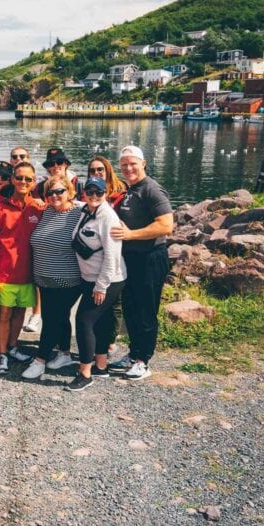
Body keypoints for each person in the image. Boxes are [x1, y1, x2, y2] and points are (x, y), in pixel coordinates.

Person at [108, 145, 173, 381]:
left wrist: (131, 235)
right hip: (131, 258)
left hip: (150, 257)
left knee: (146, 310)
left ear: (143, 164)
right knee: (131, 308)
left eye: (132, 163)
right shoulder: (129, 189)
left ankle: (144, 361)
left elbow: (166, 225)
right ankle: (133, 354)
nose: (128, 168)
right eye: (124, 164)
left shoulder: (152, 190)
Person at [21, 177, 85, 381]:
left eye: (59, 191)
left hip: (68, 278)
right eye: (50, 193)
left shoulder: (80, 212)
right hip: (44, 278)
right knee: (60, 316)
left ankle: (40, 360)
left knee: (51, 319)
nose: (54, 196)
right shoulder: (47, 211)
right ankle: (64, 353)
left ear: (70, 191)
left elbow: (104, 217)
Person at [68, 176, 126, 392]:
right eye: (89, 192)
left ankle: (85, 373)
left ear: (106, 193)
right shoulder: (87, 210)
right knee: (101, 322)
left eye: (98, 193)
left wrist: (101, 286)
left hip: (107, 280)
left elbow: (112, 256)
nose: (93, 196)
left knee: (84, 321)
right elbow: (72, 202)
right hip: (89, 277)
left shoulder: (107, 217)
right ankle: (101, 366)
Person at [0, 161, 42, 374]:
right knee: (3, 314)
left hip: (28, 274)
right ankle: (1, 354)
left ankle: (13, 347)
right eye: (19, 177)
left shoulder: (38, 207)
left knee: (20, 312)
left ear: (33, 182)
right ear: (12, 179)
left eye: (28, 179)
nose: (23, 182)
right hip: (4, 272)